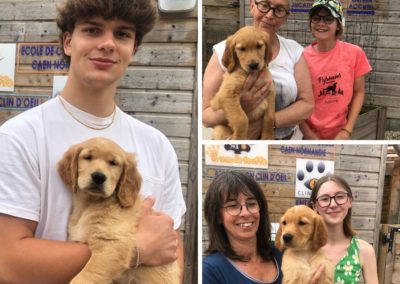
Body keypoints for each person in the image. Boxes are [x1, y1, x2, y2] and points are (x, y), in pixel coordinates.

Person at [0, 0, 186, 283]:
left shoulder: (157, 146)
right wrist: (132, 251)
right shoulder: (19, 137)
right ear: (68, 42)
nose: (108, 44)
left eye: (122, 34)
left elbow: (169, 250)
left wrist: (139, 251)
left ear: (133, 50)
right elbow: (7, 263)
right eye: (92, 30)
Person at [202, 0, 314, 140]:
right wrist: (243, 107)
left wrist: (267, 125)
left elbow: (307, 104)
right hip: (233, 138)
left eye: (279, 10)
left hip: (281, 140)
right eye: (264, 5)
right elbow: (205, 116)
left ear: (285, 17)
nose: (269, 15)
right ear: (252, 6)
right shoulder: (223, 50)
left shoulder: (294, 50)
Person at [203, 171, 324, 283]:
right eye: (233, 206)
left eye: (251, 204)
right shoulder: (209, 272)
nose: (245, 213)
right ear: (217, 216)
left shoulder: (282, 252)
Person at [300, 0, 372, 139]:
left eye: (328, 19)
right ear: (310, 23)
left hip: (341, 132)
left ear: (338, 25)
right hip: (308, 134)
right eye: (316, 18)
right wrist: (309, 135)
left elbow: (359, 92)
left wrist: (347, 130)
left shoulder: (354, 53)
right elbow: (297, 101)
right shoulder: (301, 57)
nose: (321, 23)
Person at [309, 175, 379, 283]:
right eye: (324, 199)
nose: (333, 204)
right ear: (315, 207)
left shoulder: (364, 250)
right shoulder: (303, 249)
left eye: (340, 197)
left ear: (349, 201)